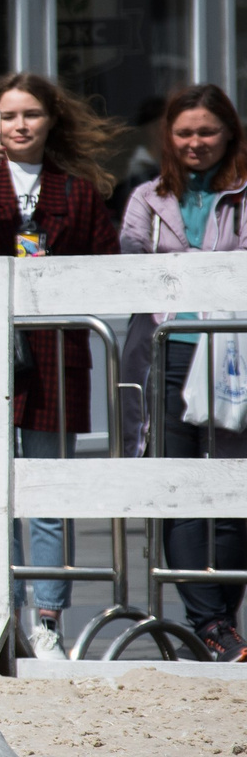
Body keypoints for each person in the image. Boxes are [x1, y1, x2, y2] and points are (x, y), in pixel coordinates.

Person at [0, 74, 117, 661]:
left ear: (53, 120)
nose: (20, 126)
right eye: (8, 116)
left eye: (32, 114)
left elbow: (107, 267)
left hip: (54, 353)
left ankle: (48, 620)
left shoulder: (76, 190)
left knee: (46, 492)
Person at [118, 85, 247, 660]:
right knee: (178, 484)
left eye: (208, 131)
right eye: (185, 132)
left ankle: (221, 618)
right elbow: (130, 268)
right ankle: (210, 623)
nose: (196, 143)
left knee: (231, 482)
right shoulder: (147, 197)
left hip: (233, 354)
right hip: (168, 352)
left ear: (229, 134)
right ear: (168, 138)